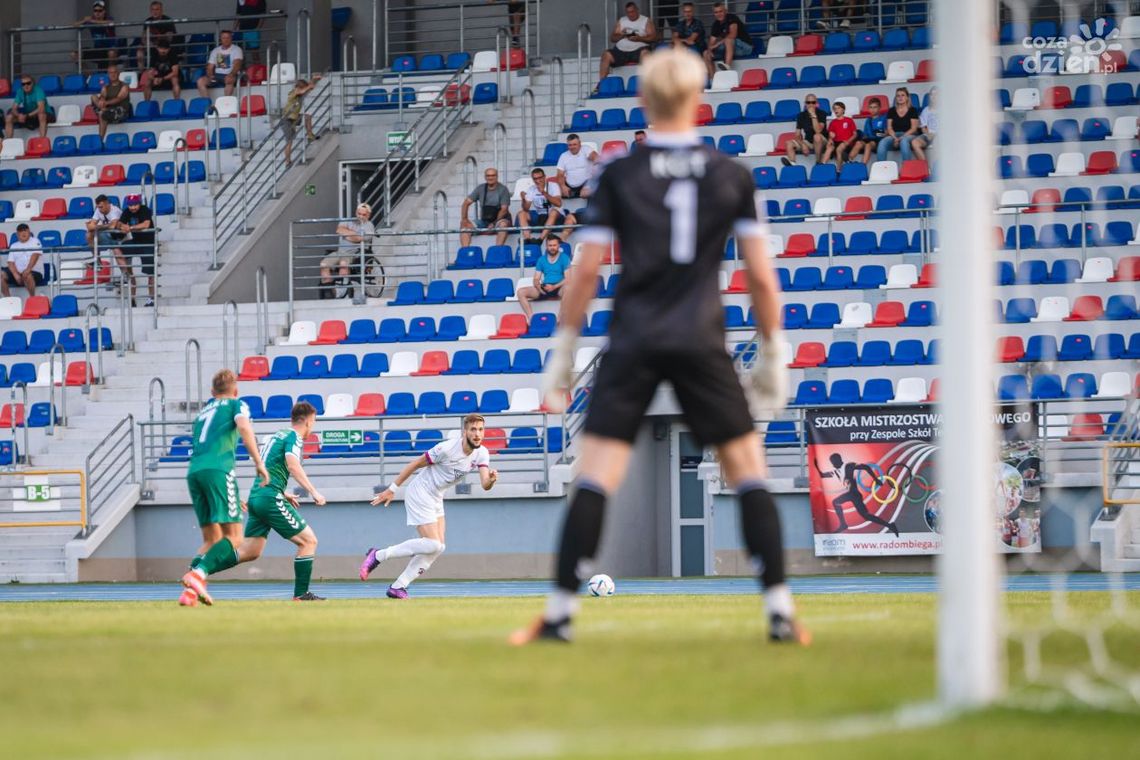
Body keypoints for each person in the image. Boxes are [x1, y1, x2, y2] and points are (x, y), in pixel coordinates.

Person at [508, 49, 807, 646]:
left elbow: (585, 274)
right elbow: (761, 276)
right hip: (701, 335)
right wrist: (773, 353)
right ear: (699, 101)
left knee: (594, 477)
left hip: (635, 336)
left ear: (643, 101)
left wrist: (563, 351)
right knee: (749, 472)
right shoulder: (731, 174)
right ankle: (780, 612)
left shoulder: (619, 175)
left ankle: (560, 615)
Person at [187, 401, 328, 604]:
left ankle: (199, 570)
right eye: (313, 422)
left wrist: (283, 491)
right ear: (307, 421)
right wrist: (313, 491)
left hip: (258, 496)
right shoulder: (293, 437)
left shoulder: (276, 435)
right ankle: (301, 594)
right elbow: (292, 464)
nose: (312, 427)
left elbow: (266, 467)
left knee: (250, 551)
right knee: (309, 541)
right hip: (269, 498)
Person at [359, 414, 498, 598]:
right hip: (420, 492)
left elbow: (485, 484)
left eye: (481, 429)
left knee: (439, 547)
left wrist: (492, 480)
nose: (477, 434)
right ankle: (378, 556)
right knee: (432, 543)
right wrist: (392, 489)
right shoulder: (446, 448)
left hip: (436, 496)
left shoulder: (482, 453)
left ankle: (398, 586)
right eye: (473, 429)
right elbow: (416, 463)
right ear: (465, 432)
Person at [178, 369, 269, 607]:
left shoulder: (203, 413)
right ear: (235, 390)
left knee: (212, 539)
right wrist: (259, 462)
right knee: (235, 537)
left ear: (212, 392)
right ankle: (196, 575)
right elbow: (244, 428)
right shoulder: (236, 405)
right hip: (219, 470)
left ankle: (190, 592)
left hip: (194, 472)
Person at [814, 453, 899, 536]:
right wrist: (816, 465)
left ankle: (843, 524)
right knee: (866, 516)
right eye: (831, 462)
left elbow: (866, 467)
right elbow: (822, 475)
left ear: (838, 460)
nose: (832, 464)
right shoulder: (835, 472)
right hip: (852, 495)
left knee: (836, 502)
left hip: (854, 493)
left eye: (833, 462)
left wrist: (876, 479)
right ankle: (889, 525)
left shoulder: (849, 465)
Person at [321, 202, 374, 299]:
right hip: (339, 252)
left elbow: (359, 239)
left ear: (369, 215)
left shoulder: (369, 226)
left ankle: (341, 291)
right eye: (359, 214)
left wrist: (348, 234)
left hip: (354, 254)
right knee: (324, 265)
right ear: (356, 213)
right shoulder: (348, 220)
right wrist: (354, 234)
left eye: (364, 215)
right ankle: (329, 291)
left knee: (343, 263)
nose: (361, 216)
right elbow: (339, 230)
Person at [598, 3, 657, 88]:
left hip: (638, 50)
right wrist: (622, 35)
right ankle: (602, 84)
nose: (630, 14)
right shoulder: (622, 21)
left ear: (637, 10)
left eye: (632, 12)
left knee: (646, 54)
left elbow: (653, 38)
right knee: (606, 55)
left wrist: (639, 38)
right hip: (621, 51)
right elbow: (613, 38)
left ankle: (649, 85)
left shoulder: (645, 21)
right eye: (628, 12)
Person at [516, 236, 572, 322]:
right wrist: (538, 286)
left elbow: (568, 278)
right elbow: (536, 278)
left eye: (554, 245)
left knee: (568, 288)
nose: (552, 248)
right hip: (545, 287)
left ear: (558, 246)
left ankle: (559, 319)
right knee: (520, 292)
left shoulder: (564, 258)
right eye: (550, 245)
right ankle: (531, 319)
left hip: (559, 287)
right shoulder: (541, 259)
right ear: (546, 246)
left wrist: (554, 287)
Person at [117, 194, 156, 307]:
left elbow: (146, 224)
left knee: (150, 273)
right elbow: (120, 223)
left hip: (148, 243)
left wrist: (130, 228)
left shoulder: (145, 210)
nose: (133, 207)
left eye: (135, 205)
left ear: (139, 203)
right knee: (121, 249)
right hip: (136, 242)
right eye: (130, 205)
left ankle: (151, 299)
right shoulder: (126, 211)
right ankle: (128, 275)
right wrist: (121, 226)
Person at [516, 167, 571, 244]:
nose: (538, 180)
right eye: (535, 179)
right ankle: (528, 239)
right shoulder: (532, 189)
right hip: (541, 216)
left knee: (554, 211)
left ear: (545, 177)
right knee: (521, 213)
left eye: (540, 177)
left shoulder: (553, 186)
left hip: (557, 216)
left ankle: (540, 239)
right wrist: (523, 199)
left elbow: (558, 204)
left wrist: (544, 193)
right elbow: (526, 208)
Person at [459, 168, 511, 247]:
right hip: (484, 221)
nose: (490, 178)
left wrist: (493, 223)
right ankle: (465, 253)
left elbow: (504, 210)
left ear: (497, 176)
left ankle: (497, 251)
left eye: (493, 175)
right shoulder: (480, 188)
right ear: (485, 177)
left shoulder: (503, 189)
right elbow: (466, 203)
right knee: (464, 226)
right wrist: (464, 219)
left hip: (499, 220)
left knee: (503, 225)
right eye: (488, 176)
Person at [703, 2, 753, 76]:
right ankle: (713, 80)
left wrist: (717, 44)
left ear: (725, 11)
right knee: (706, 53)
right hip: (730, 48)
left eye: (721, 11)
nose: (719, 14)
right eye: (716, 12)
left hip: (745, 47)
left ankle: (727, 67)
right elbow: (711, 42)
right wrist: (710, 50)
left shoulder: (732, 18)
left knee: (728, 40)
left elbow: (733, 35)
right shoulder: (716, 24)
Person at [281, 76, 321, 167]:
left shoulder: (301, 94)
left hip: (295, 117)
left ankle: (310, 135)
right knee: (289, 141)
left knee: (307, 117)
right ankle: (287, 161)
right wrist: (308, 87)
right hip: (287, 120)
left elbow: (309, 87)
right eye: (303, 87)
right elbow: (303, 90)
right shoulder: (293, 92)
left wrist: (315, 79)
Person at [73, 1, 122, 70]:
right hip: (98, 50)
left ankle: (110, 73)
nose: (97, 13)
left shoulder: (108, 18)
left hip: (110, 49)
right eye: (95, 11)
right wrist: (84, 20)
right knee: (75, 54)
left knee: (111, 53)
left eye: (100, 10)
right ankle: (89, 76)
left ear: (104, 11)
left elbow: (111, 23)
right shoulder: (90, 21)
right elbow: (74, 25)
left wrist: (93, 21)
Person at [876, 87, 920, 162]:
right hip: (895, 135)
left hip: (909, 135)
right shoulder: (891, 110)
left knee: (904, 142)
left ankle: (907, 169)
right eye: (898, 96)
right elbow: (889, 128)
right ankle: (882, 169)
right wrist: (895, 138)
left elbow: (914, 129)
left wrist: (902, 137)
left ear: (907, 97)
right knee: (882, 142)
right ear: (896, 98)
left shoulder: (913, 110)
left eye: (903, 95)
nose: (900, 97)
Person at [196, 29, 244, 98]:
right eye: (224, 38)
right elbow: (210, 66)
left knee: (229, 80)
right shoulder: (215, 50)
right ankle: (207, 103)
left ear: (231, 38)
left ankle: (225, 103)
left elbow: (237, 65)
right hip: (217, 75)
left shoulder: (237, 49)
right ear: (220, 39)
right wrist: (210, 75)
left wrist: (231, 74)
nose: (226, 40)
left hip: (230, 74)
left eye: (228, 38)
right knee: (200, 81)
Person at [783, 93, 826, 166]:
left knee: (817, 136)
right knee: (789, 143)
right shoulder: (801, 115)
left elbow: (818, 131)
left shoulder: (822, 113)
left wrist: (813, 116)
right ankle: (792, 163)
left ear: (817, 104)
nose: (811, 104)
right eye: (808, 102)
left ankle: (818, 162)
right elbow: (797, 134)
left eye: (813, 102)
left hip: (822, 141)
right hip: (808, 141)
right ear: (805, 104)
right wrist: (803, 144)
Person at [2, 224, 45, 298]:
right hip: (18, 273)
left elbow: (35, 256)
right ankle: (8, 299)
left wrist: (27, 270)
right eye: (21, 231)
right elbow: (10, 262)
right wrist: (16, 274)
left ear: (29, 231)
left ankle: (32, 298)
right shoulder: (14, 245)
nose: (23, 233)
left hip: (35, 273)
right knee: (1, 275)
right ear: (17, 234)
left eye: (25, 230)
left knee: (27, 275)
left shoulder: (35, 241)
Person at [91, 65, 132, 140]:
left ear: (118, 73)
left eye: (115, 72)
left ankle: (100, 140)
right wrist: (102, 100)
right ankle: (103, 110)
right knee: (93, 97)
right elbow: (103, 95)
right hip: (108, 110)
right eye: (110, 73)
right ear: (108, 74)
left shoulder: (124, 86)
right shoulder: (106, 87)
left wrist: (106, 103)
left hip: (121, 111)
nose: (113, 75)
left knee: (102, 114)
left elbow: (119, 99)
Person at [133, 1, 177, 70]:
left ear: (161, 10)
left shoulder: (167, 20)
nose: (154, 12)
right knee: (139, 52)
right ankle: (141, 74)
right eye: (153, 9)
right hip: (151, 45)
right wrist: (151, 44)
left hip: (164, 46)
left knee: (160, 50)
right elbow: (144, 38)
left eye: (157, 9)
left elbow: (170, 37)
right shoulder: (148, 21)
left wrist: (158, 40)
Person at [87, 195, 126, 267]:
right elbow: (90, 227)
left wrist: (97, 227)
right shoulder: (98, 210)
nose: (100, 209)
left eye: (101, 207)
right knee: (89, 235)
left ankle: (126, 275)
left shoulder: (115, 210)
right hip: (108, 236)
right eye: (98, 207)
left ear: (107, 203)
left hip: (121, 237)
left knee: (116, 249)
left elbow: (112, 227)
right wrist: (106, 225)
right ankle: (97, 261)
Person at [556, 134, 599, 199]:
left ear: (579, 144)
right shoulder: (563, 156)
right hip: (570, 185)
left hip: (586, 183)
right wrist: (563, 186)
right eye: (570, 145)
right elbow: (560, 174)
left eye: (574, 144)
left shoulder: (586, 149)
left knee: (585, 193)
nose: (572, 147)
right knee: (556, 194)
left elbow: (596, 158)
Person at [821, 100, 858, 168]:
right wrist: (830, 140)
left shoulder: (849, 120)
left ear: (843, 109)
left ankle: (839, 169)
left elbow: (855, 134)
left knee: (839, 148)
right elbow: (830, 135)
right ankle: (822, 165)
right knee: (829, 148)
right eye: (835, 108)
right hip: (836, 142)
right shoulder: (833, 122)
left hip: (846, 142)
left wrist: (848, 141)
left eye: (838, 108)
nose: (836, 110)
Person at [857, 97, 887, 165]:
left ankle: (862, 166)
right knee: (858, 144)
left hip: (878, 141)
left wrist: (879, 133)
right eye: (871, 107)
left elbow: (887, 133)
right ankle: (849, 161)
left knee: (868, 145)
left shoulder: (883, 118)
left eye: (875, 107)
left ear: (879, 108)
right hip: (869, 139)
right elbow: (865, 134)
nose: (872, 109)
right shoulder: (868, 120)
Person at [910, 87, 937, 162]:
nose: (934, 97)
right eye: (932, 95)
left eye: (936, 94)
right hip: (928, 135)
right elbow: (923, 127)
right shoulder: (926, 110)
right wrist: (928, 134)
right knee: (914, 142)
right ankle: (925, 168)